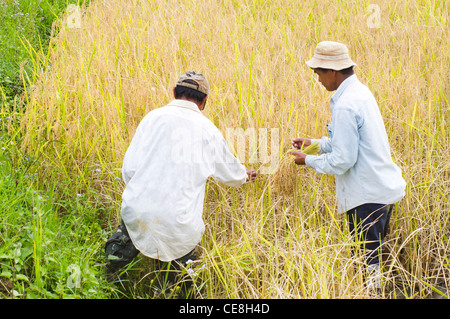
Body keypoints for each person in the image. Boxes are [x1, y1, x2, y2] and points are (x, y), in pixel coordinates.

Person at [105, 71, 256, 296]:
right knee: (179, 290)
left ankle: (102, 285)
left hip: (138, 211)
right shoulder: (208, 131)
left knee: (109, 268)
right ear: (204, 101)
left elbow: (129, 169)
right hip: (179, 223)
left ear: (174, 93)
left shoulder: (152, 118)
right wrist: (244, 175)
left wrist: (143, 193)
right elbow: (230, 174)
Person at [290, 41, 406, 291]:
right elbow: (351, 143)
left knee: (368, 262)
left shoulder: (345, 104)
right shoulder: (360, 93)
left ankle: (373, 295)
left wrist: (307, 160)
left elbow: (343, 160)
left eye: (319, 73)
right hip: (381, 191)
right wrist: (316, 144)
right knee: (372, 258)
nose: (318, 79)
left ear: (332, 71)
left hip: (366, 198)